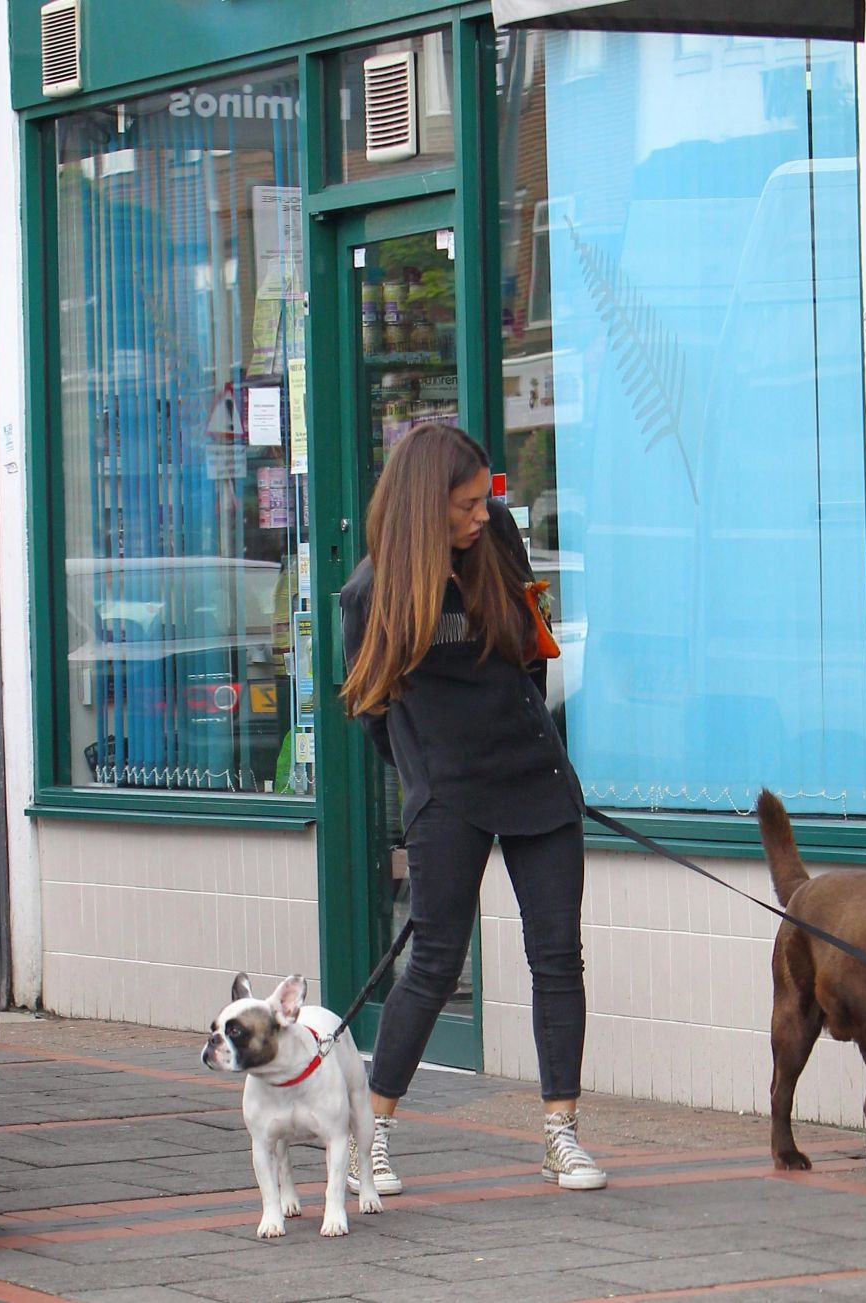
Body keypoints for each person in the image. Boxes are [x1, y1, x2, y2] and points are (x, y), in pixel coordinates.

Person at [338, 422, 606, 1194]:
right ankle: (374, 1133)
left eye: (484, 499)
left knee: (557, 954)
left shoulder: (499, 544)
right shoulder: (372, 592)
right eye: (463, 506)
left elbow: (528, 650)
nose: (481, 516)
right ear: (426, 508)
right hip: (447, 789)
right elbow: (373, 710)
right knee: (434, 958)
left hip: (532, 771)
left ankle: (561, 1132)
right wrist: (426, 777)